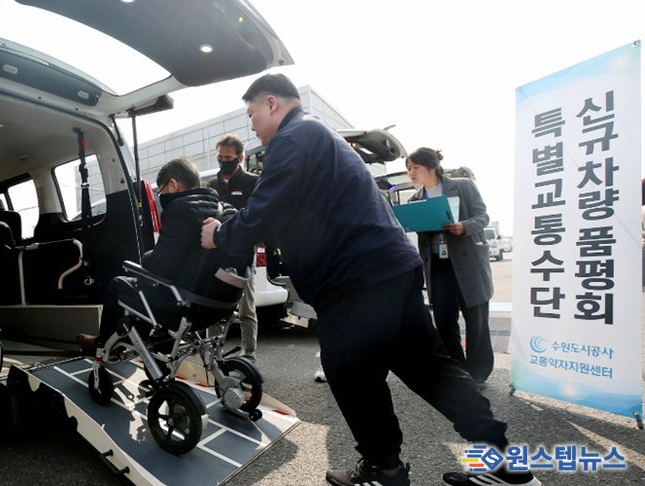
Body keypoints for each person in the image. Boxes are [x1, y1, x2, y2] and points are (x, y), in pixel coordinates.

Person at [200, 73, 540, 486]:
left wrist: (220, 234)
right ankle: (505, 465)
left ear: (271, 102)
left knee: (350, 372)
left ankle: (384, 469)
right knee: (431, 371)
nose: (252, 125)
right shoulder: (318, 137)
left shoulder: (293, 138)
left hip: (354, 279)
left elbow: (266, 209)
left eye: (252, 113)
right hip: (388, 270)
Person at [77, 158, 243, 354]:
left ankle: (103, 346)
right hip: (221, 305)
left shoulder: (180, 209)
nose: (160, 196)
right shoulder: (226, 209)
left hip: (187, 306)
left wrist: (146, 257)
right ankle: (142, 342)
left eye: (161, 190)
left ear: (173, 184)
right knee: (147, 289)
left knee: (118, 285)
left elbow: (161, 265)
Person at [406, 148, 495, 387]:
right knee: (445, 323)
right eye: (408, 168)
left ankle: (478, 374)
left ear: (431, 166)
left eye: (415, 167)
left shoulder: (463, 186)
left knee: (476, 321)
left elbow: (483, 216)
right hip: (437, 267)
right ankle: (459, 373)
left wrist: (463, 226)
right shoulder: (415, 200)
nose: (411, 172)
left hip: (468, 264)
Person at [207, 134, 259, 361]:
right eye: (220, 157)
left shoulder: (252, 182)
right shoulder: (211, 185)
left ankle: (249, 356)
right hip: (218, 256)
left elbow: (257, 217)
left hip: (244, 254)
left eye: (228, 158)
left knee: (247, 309)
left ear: (240, 158)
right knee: (214, 307)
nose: (223, 161)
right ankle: (213, 357)